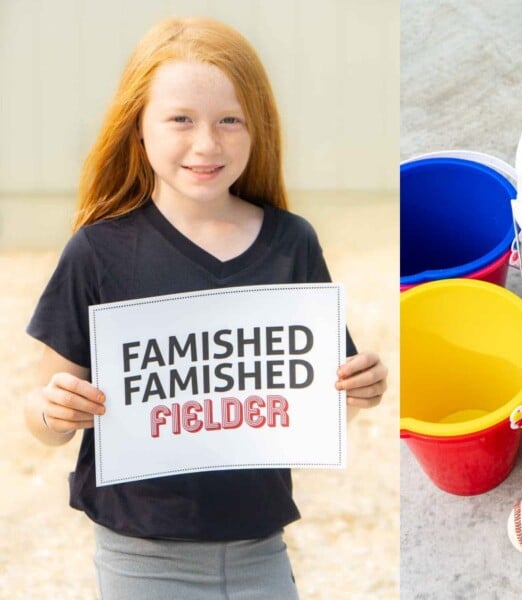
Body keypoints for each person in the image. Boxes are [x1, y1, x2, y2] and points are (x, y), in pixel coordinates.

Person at [22, 16, 388, 599]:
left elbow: (314, 412)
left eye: (230, 121)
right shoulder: (97, 252)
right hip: (141, 556)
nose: (206, 144)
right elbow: (44, 424)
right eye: (180, 120)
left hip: (261, 549)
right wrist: (52, 411)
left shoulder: (291, 243)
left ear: (257, 128)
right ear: (137, 128)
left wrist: (359, 393)